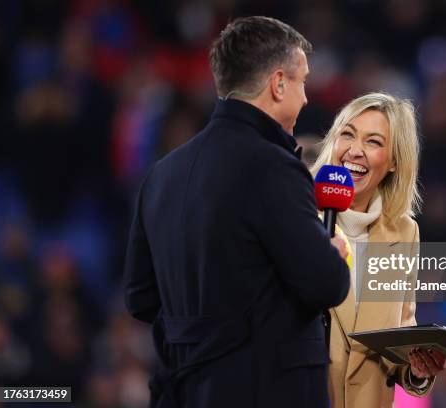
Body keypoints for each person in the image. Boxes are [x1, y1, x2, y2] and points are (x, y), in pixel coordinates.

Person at [123, 16, 350, 408]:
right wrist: (334, 252)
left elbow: (141, 297)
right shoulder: (274, 167)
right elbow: (325, 284)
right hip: (268, 391)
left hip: (185, 391)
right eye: (302, 83)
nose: (306, 98)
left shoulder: (163, 173)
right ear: (278, 84)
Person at [312, 92, 446, 408]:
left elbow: (399, 334)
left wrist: (415, 370)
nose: (354, 151)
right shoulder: (298, 216)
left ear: (394, 160)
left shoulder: (404, 231)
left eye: (373, 142)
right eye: (347, 134)